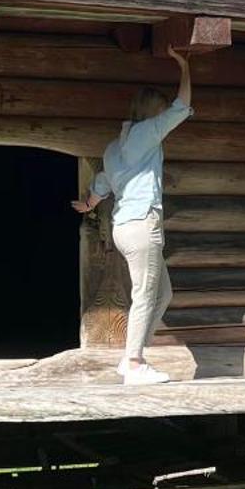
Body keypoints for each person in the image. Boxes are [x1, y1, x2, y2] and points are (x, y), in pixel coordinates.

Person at [73, 49, 193, 386]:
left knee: (162, 294)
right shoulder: (148, 133)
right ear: (153, 111)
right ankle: (135, 362)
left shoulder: (114, 147)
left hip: (124, 228)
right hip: (142, 225)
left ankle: (133, 353)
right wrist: (184, 66)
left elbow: (102, 184)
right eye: (160, 110)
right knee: (145, 294)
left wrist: (89, 204)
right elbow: (182, 107)